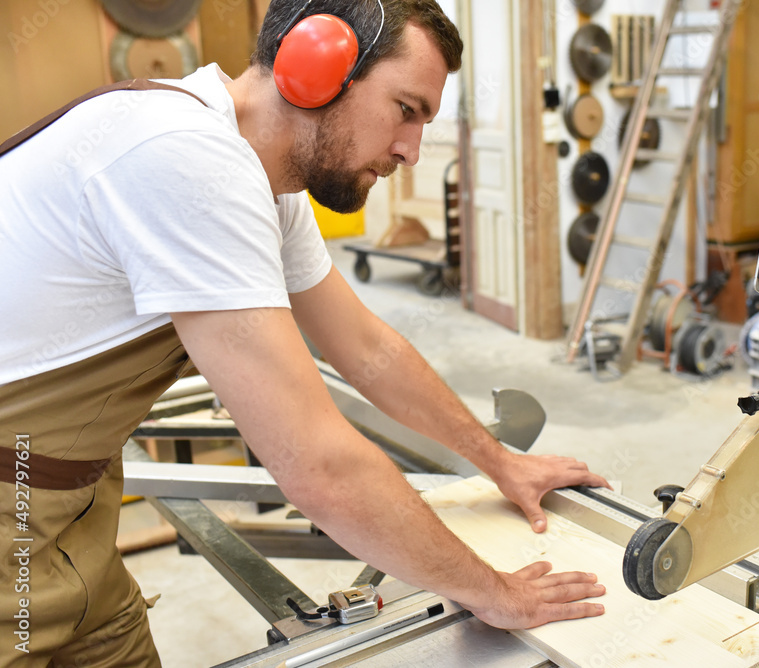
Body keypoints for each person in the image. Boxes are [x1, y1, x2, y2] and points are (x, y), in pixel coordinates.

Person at [0, 0, 609, 665]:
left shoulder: (264, 183)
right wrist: (493, 591)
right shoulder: (185, 156)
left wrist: (500, 462)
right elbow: (316, 466)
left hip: (69, 507)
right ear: (312, 64)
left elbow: (367, 348)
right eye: (406, 109)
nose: (411, 151)